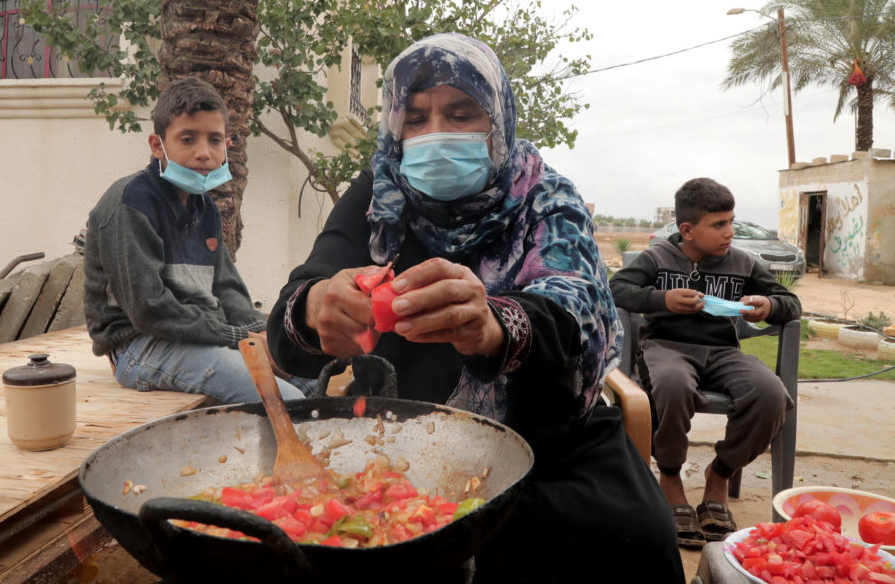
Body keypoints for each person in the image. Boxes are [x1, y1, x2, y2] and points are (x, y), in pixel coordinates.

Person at [267, 33, 684, 582]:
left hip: (543, 442)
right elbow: (289, 322)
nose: (434, 133)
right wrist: (315, 306)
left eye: (461, 113)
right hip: (397, 442)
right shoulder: (378, 196)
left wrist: (494, 324)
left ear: (499, 120)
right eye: (414, 119)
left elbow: (571, 315)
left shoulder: (545, 198)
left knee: (631, 540)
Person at [83, 76, 310, 403]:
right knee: (288, 401)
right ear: (157, 145)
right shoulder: (129, 204)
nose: (204, 153)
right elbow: (151, 310)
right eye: (187, 139)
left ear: (227, 146)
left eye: (214, 140)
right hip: (140, 346)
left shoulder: (205, 209)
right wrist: (239, 337)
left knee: (308, 375)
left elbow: (227, 291)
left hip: (202, 339)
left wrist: (271, 336)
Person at [610, 177, 801, 547]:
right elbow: (616, 288)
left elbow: (789, 301)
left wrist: (769, 305)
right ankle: (669, 476)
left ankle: (720, 474)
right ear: (688, 230)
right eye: (718, 224)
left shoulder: (744, 262)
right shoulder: (658, 258)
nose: (730, 232)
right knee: (672, 385)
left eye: (731, 221)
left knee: (770, 394)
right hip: (668, 347)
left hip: (724, 353)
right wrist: (662, 300)